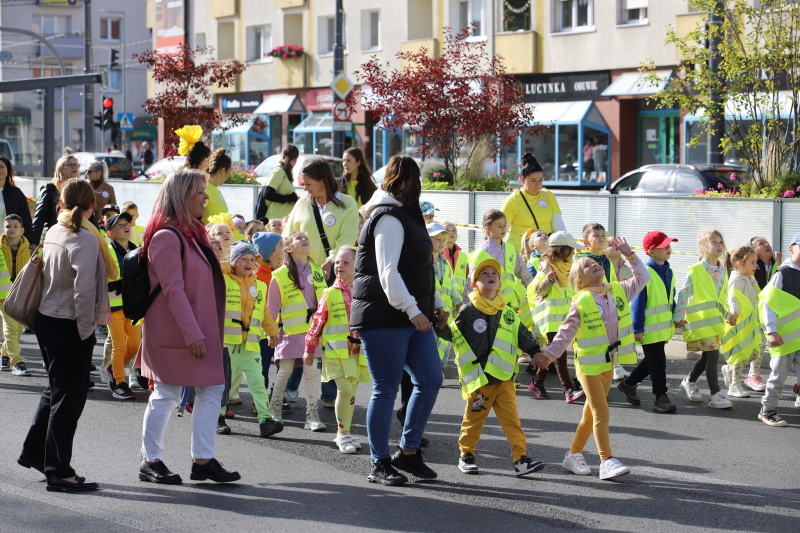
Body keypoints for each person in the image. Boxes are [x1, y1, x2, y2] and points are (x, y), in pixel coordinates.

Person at [137, 169, 240, 485]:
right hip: (178, 333)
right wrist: (193, 333)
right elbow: (173, 290)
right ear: (183, 197)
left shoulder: (191, 231)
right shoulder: (167, 236)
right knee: (167, 394)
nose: (206, 197)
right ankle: (149, 460)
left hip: (200, 330)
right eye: (200, 191)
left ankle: (203, 460)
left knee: (211, 390)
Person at [352, 155, 446, 486]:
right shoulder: (388, 217)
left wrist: (434, 303)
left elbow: (420, 269)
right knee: (386, 389)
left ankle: (407, 453)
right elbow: (388, 272)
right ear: (407, 182)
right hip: (383, 317)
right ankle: (379, 462)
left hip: (408, 315)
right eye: (416, 181)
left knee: (431, 378)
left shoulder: (404, 213)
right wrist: (413, 309)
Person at [19, 178, 113, 492]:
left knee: (55, 391)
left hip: (48, 318)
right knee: (69, 399)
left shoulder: (55, 230)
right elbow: (84, 291)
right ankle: (59, 471)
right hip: (70, 324)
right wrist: (88, 332)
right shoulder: (85, 238)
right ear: (91, 206)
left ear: (61, 203)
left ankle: (38, 455)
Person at [436, 256, 548, 477]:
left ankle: (520, 460)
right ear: (474, 284)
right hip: (480, 379)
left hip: (504, 379)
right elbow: (452, 333)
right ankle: (466, 455)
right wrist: (439, 325)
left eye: (494, 274)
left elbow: (523, 335)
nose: (490, 276)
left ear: (499, 284)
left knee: (512, 422)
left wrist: (535, 352)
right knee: (473, 420)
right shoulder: (468, 311)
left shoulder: (508, 313)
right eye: (484, 274)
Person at [548, 238, 649, 481]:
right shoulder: (581, 301)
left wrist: (630, 255)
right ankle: (606, 460)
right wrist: (548, 355)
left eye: (594, 263)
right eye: (586, 266)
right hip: (588, 367)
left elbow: (642, 278)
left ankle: (572, 454)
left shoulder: (616, 290)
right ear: (580, 282)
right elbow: (565, 332)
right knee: (602, 412)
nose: (593, 265)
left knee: (590, 414)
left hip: (608, 363)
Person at [305, 246, 371, 454]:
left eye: (345, 262)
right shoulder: (329, 293)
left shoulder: (365, 290)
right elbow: (318, 320)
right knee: (344, 390)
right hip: (336, 352)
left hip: (357, 351)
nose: (339, 266)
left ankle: (346, 431)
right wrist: (309, 346)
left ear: (357, 266)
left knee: (352, 392)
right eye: (337, 263)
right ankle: (342, 435)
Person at [267, 231, 328, 431]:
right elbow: (272, 308)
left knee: (311, 374)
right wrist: (271, 332)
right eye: (298, 238)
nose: (304, 239)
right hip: (290, 331)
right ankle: (274, 408)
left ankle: (312, 416)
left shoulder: (317, 271)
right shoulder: (279, 275)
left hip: (312, 333)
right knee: (284, 371)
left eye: (305, 237)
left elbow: (325, 303)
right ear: (288, 248)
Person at [222, 240, 283, 437]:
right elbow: (209, 267)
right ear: (233, 262)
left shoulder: (260, 285)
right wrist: (228, 264)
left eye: (251, 259)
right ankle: (218, 417)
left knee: (258, 381)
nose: (248, 263)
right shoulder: (222, 279)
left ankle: (265, 421)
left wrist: (273, 333)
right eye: (242, 259)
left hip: (251, 345)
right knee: (224, 384)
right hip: (227, 344)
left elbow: (264, 312)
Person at [619, 231, 680, 414]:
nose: (668, 247)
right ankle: (660, 397)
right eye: (664, 245)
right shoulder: (645, 273)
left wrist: (675, 315)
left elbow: (670, 297)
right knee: (658, 364)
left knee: (652, 362)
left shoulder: (668, 271)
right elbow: (637, 302)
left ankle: (628, 384)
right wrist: (637, 328)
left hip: (662, 328)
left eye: (669, 244)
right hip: (648, 329)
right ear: (651, 252)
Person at [674, 229, 734, 410]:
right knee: (713, 354)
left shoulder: (723, 270)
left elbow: (720, 298)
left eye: (721, 242)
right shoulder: (696, 270)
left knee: (708, 356)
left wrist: (728, 315)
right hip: (700, 321)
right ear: (702, 248)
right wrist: (678, 316)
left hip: (715, 322)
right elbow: (684, 293)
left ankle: (689, 381)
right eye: (714, 242)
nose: (719, 245)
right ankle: (715, 394)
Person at [527, 231, 585, 403]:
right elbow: (538, 291)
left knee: (552, 353)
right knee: (559, 353)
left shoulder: (571, 265)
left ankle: (537, 383)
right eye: (571, 249)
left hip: (564, 316)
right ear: (562, 249)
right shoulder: (546, 265)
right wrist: (549, 281)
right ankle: (569, 389)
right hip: (550, 318)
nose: (573, 252)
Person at [283, 157, 359, 281]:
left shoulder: (348, 203)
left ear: (323, 181)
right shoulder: (302, 203)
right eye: (303, 184)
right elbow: (287, 237)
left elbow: (347, 239)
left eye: (308, 184)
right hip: (302, 276)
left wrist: (331, 261)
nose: (305, 189)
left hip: (333, 276)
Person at [757, 232, 800, 427]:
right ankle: (767, 409)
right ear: (791, 249)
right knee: (778, 376)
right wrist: (771, 330)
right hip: (783, 338)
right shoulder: (783, 273)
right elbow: (768, 305)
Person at [577, 223, 629, 380]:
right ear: (586, 242)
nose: (601, 238)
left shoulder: (605, 259)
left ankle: (613, 367)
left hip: (607, 303)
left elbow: (611, 281)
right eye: (596, 235)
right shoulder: (583, 260)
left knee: (610, 337)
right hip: (592, 305)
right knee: (594, 340)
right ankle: (586, 375)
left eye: (603, 235)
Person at [467, 210, 533, 331]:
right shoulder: (482, 252)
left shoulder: (510, 248)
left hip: (511, 303)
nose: (503, 228)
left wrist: (533, 290)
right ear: (488, 228)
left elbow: (523, 272)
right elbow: (471, 281)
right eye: (499, 226)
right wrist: (467, 307)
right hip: (490, 303)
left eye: (504, 225)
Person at [104, 212, 141, 400]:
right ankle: (119, 381)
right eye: (119, 225)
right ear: (110, 233)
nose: (126, 226)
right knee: (119, 346)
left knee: (134, 345)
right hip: (113, 306)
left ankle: (113, 368)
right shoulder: (107, 251)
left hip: (132, 307)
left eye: (127, 223)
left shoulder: (137, 250)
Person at [720, 245, 764, 398]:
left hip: (751, 322)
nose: (756, 265)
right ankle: (734, 385)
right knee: (741, 354)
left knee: (755, 351)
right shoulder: (737, 279)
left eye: (756, 262)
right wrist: (734, 312)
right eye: (752, 262)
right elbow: (731, 297)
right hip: (740, 323)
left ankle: (730, 369)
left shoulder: (749, 278)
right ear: (740, 264)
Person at [500, 153, 566, 252]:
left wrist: (565, 246)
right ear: (523, 179)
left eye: (540, 180)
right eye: (533, 180)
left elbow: (559, 226)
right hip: (519, 253)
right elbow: (500, 230)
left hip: (544, 252)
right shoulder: (512, 200)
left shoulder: (548, 196)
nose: (537, 184)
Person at [0, 214, 32, 375]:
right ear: (2, 229)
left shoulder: (31, 250)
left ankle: (4, 354)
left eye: (15, 226)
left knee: (18, 329)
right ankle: (17, 362)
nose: (11, 229)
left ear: (22, 230)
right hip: (3, 295)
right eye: (8, 226)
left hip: (21, 295)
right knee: (11, 328)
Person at [31, 154, 81, 245]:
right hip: (54, 238)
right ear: (60, 169)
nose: (74, 167)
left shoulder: (81, 189)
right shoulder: (50, 189)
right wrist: (33, 244)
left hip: (77, 239)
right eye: (70, 164)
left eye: (76, 164)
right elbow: (39, 218)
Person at [256, 144, 299, 222]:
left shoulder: (284, 172)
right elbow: (267, 194)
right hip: (274, 221)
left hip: (280, 221)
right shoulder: (279, 171)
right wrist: (288, 198)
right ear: (295, 160)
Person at [0, 156, 33, 238]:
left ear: (7, 169)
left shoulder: (16, 193)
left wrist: (29, 241)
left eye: (1, 167)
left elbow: (26, 221)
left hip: (11, 243)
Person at [201, 148, 232, 224]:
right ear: (223, 171)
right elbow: (195, 218)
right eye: (229, 172)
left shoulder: (216, 190)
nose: (228, 176)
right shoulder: (205, 189)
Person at [442, 221, 469, 300]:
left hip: (460, 301)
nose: (451, 233)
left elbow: (468, 280)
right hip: (444, 302)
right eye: (447, 230)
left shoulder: (464, 256)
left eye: (454, 230)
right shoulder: (438, 254)